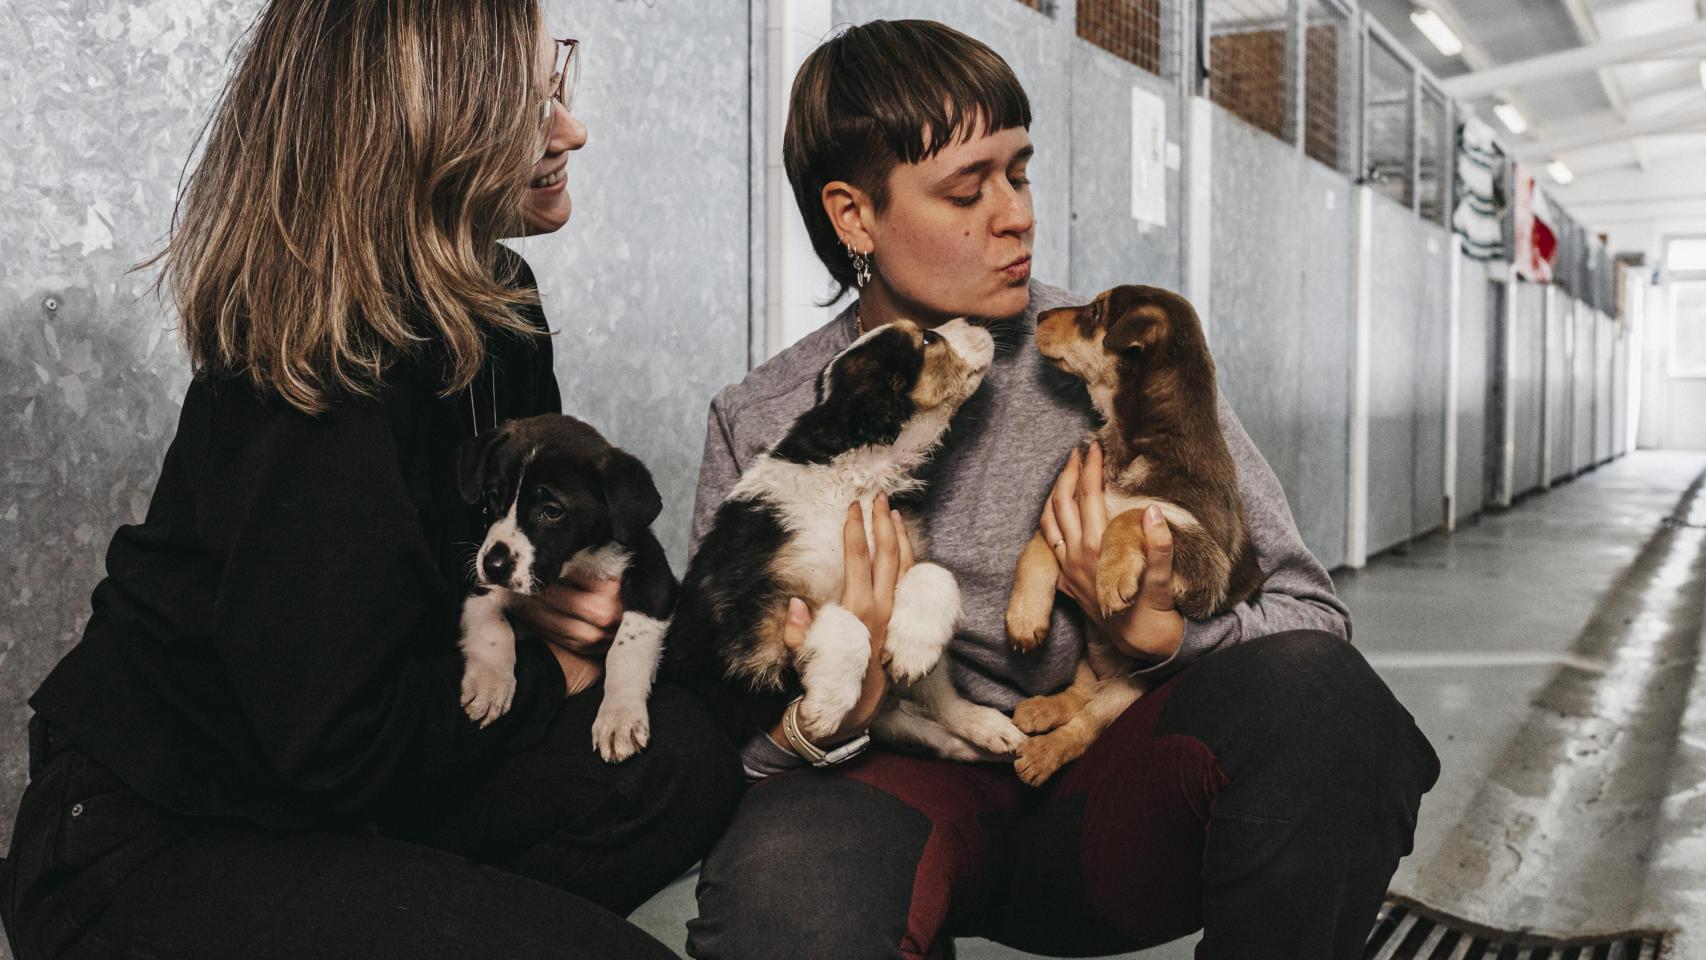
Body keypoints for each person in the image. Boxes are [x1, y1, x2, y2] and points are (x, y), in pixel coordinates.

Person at [682, 19, 1440, 960]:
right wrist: (822, 718)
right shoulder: (762, 419)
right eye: (968, 189)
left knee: (1332, 712)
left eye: (1020, 173)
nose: (1016, 215)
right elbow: (717, 725)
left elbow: (1310, 612)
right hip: (893, 795)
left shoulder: (1114, 356)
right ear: (854, 217)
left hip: (1105, 791)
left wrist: (1167, 634)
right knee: (782, 906)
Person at [0, 3, 742, 958]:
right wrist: (552, 667)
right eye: (522, 105)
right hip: (162, 830)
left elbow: (505, 586)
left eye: (554, 83)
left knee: (679, 759)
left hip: (359, 779)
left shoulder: (499, 300)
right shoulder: (318, 368)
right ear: (421, 132)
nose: (572, 128)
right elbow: (333, 746)